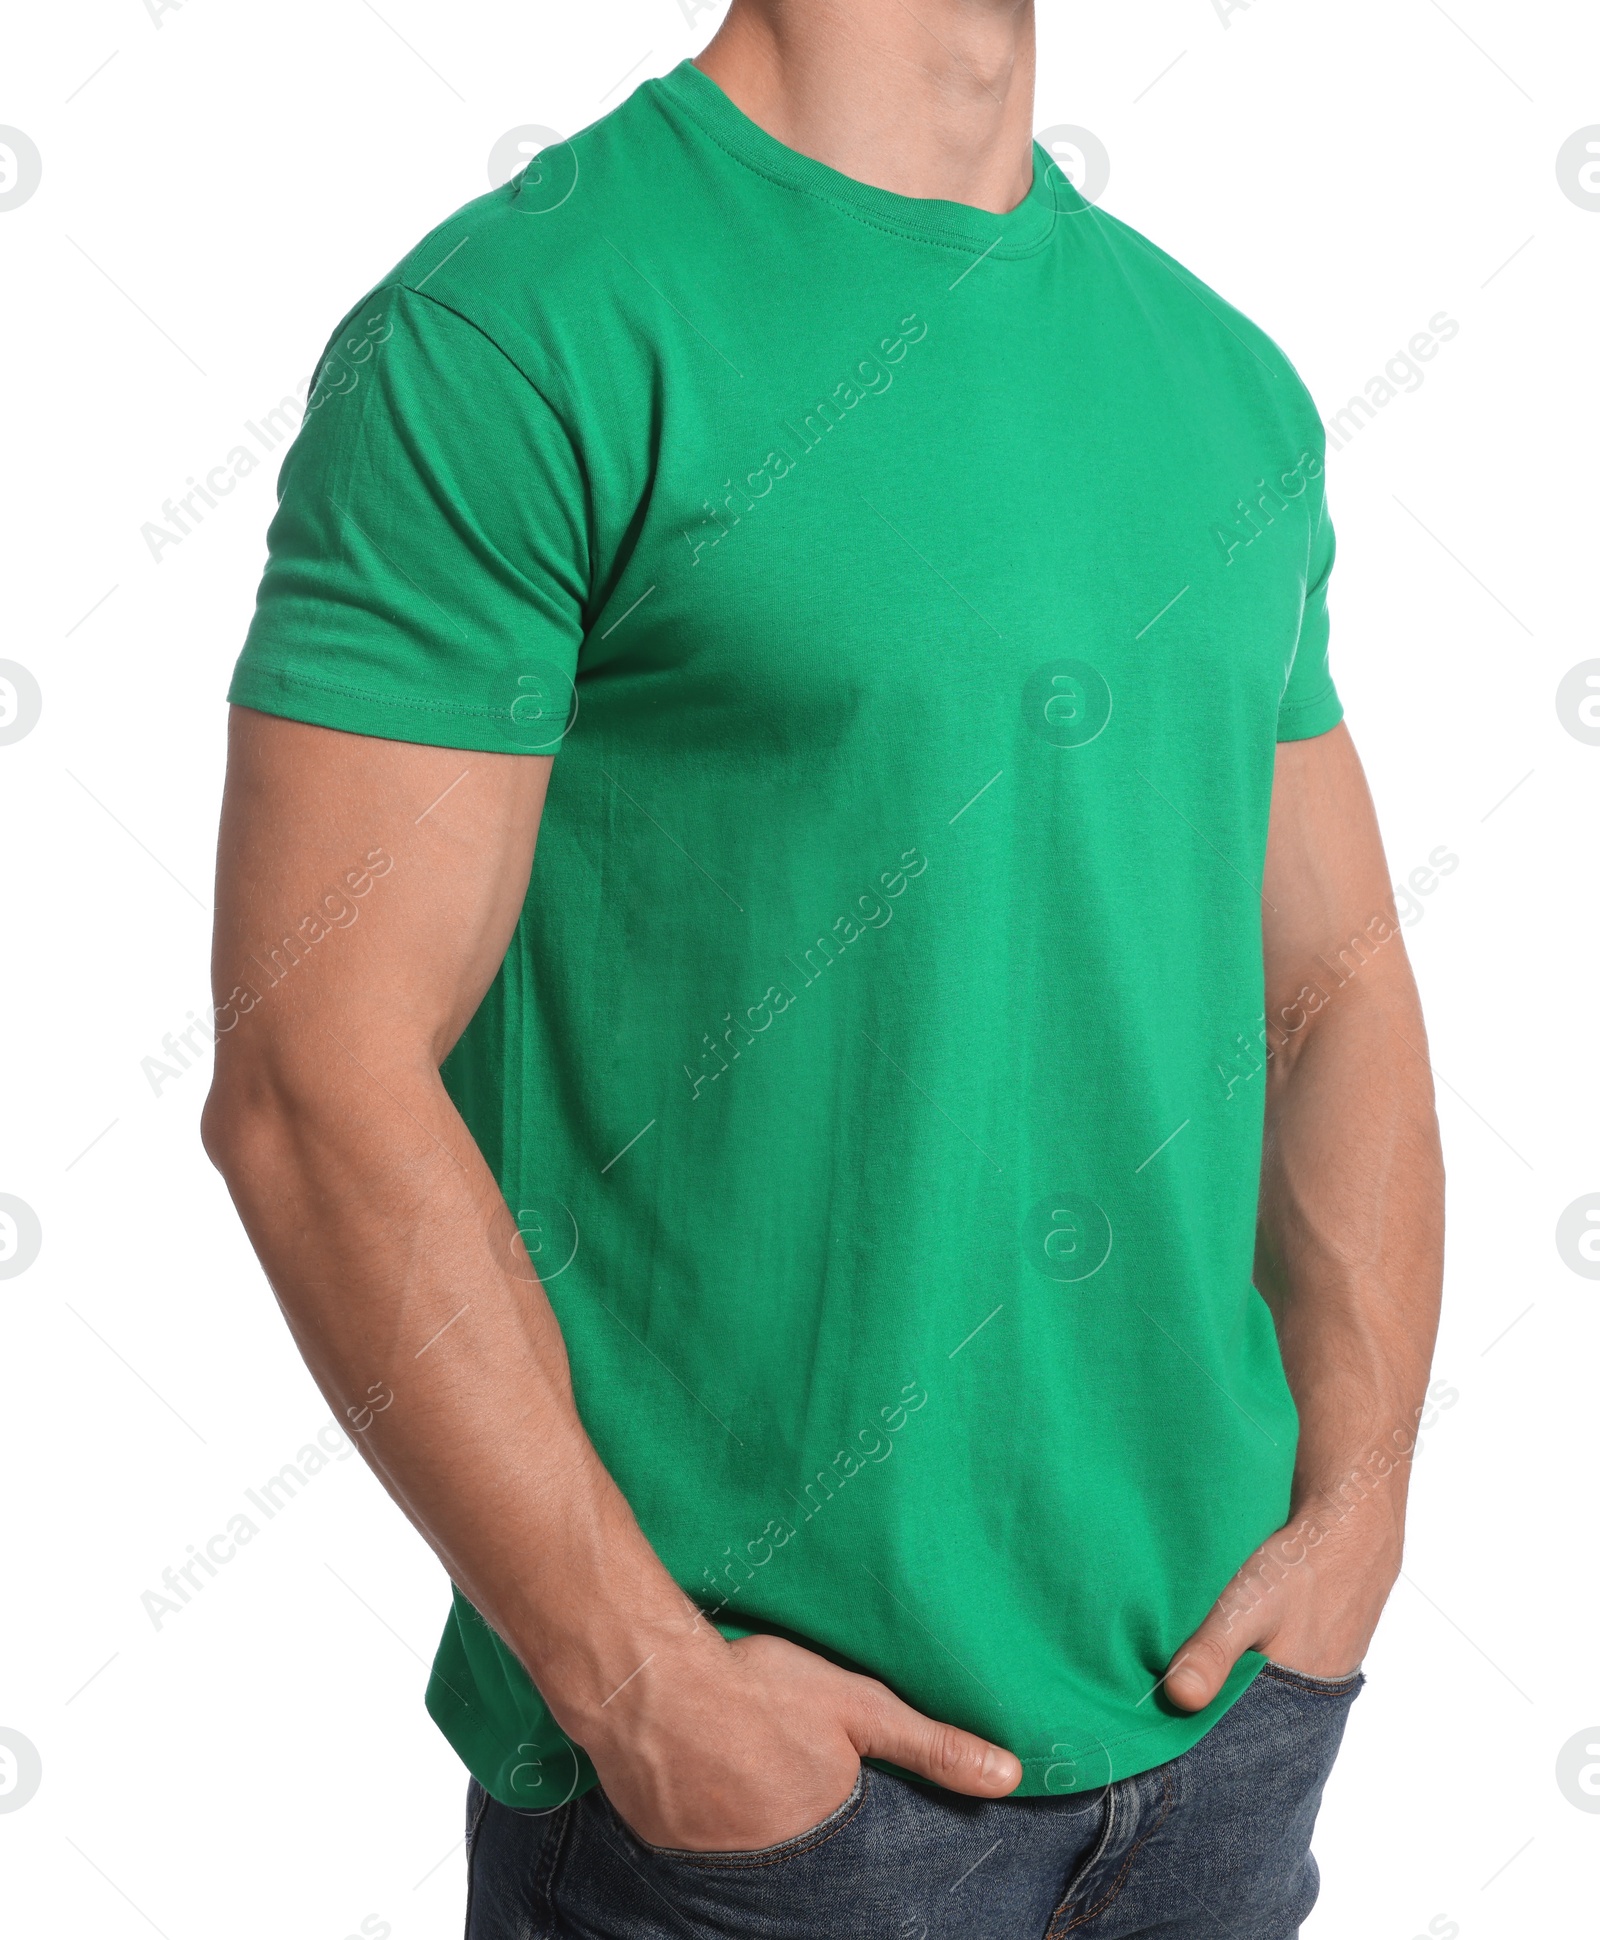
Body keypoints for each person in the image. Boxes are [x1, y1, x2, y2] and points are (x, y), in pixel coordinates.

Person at [202, 2, 1445, 1933]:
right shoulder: (516, 333)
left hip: (1221, 1750)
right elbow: (310, 1083)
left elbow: (1334, 982)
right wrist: (639, 1688)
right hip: (760, 1818)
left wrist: (1356, 1508)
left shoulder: (1223, 382)